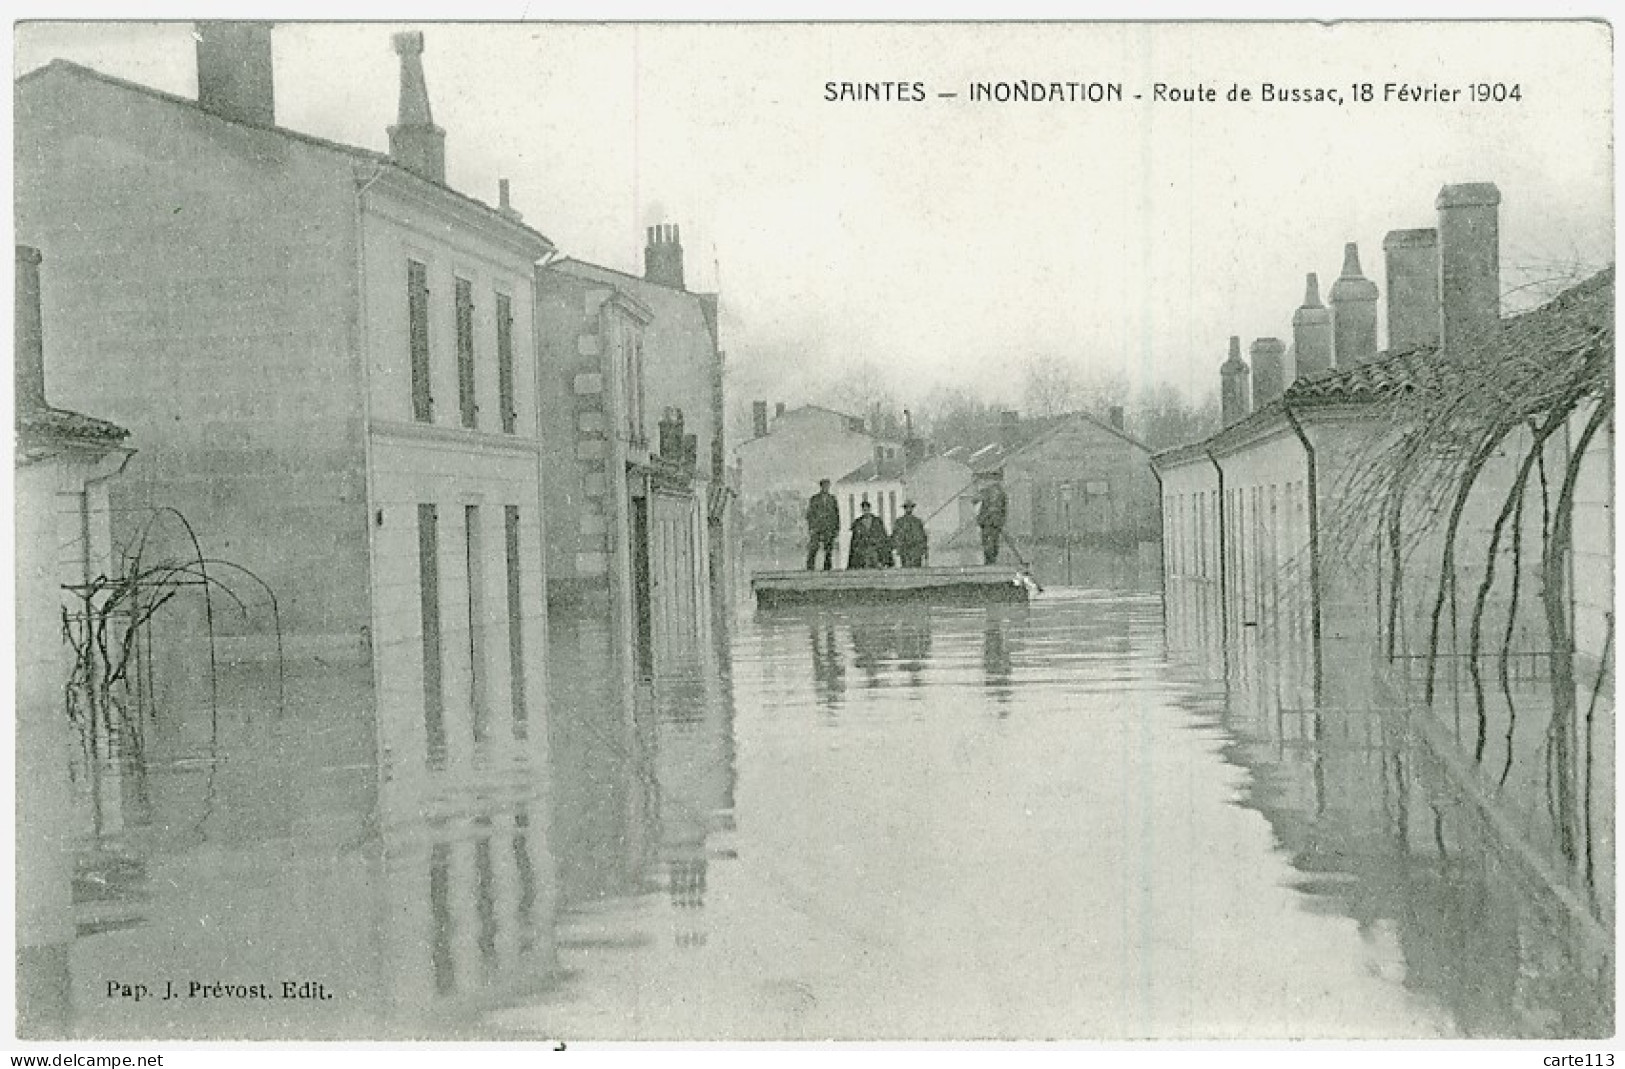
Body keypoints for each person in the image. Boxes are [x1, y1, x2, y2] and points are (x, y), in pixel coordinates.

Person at [847, 499, 893, 569]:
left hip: (875, 551)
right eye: (864, 510)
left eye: (867, 509)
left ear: (870, 509)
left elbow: (883, 538)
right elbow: (854, 542)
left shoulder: (877, 522)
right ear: (862, 511)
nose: (866, 512)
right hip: (863, 553)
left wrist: (887, 557)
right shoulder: (858, 523)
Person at [805, 478, 840, 570]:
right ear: (821, 487)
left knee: (828, 548)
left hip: (829, 527)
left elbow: (836, 514)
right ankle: (810, 566)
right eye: (824, 486)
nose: (826, 488)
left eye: (827, 486)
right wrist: (811, 527)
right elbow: (810, 514)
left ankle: (827, 567)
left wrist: (836, 528)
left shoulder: (832, 499)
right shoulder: (815, 499)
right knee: (814, 547)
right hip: (817, 527)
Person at [975, 470, 1008, 565]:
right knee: (991, 541)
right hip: (990, 521)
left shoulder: (993, 491)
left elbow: (997, 508)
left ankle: (990, 561)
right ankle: (990, 560)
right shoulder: (995, 491)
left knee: (990, 541)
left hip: (990, 521)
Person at [892, 499, 929, 568]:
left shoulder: (917, 521)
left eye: (910, 507)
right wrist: (898, 548)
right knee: (906, 571)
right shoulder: (899, 522)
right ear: (904, 509)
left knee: (917, 571)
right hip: (905, 551)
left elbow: (923, 536)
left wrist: (924, 550)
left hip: (916, 551)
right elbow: (896, 536)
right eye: (907, 507)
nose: (909, 509)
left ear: (912, 508)